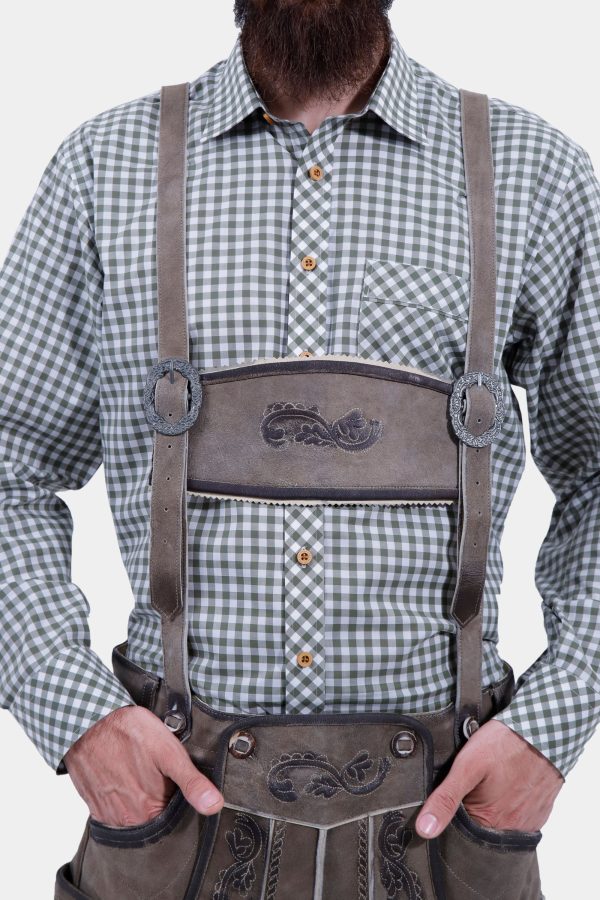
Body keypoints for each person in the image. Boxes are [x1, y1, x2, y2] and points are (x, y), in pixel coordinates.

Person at [0, 1, 598, 898]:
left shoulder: (533, 171)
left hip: (450, 829)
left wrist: (549, 731)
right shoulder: (104, 167)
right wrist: (78, 719)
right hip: (169, 825)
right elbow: (8, 464)